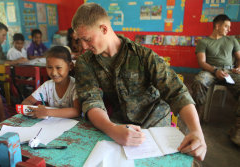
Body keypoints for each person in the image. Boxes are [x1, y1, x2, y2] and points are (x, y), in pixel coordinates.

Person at [72, 3, 206, 161]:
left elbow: (177, 91)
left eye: (87, 39)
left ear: (104, 29)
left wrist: (196, 131)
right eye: (80, 40)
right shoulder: (85, 62)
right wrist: (112, 129)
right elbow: (91, 100)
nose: (84, 46)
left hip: (156, 128)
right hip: (120, 126)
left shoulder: (143, 56)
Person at [191, 14, 240, 146]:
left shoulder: (232, 40)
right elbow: (202, 62)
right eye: (226, 26)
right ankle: (197, 117)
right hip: (210, 71)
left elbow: (239, 57)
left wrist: (239, 67)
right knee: (199, 81)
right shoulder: (204, 42)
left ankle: (238, 129)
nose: (229, 29)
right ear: (217, 25)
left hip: (230, 72)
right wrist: (215, 71)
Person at [22, 46, 80, 119]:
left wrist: (47, 112)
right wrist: (34, 111)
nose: (54, 73)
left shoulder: (75, 86)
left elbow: (76, 111)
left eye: (58, 68)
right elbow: (27, 101)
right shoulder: (47, 86)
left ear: (70, 66)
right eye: (49, 67)